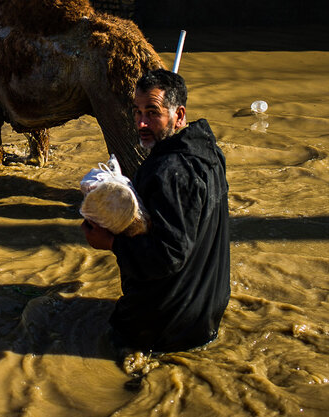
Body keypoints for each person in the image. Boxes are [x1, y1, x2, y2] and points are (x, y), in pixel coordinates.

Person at [82, 69, 230, 368]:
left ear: (179, 115)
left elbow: (167, 255)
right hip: (207, 313)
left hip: (164, 328)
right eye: (136, 112)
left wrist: (110, 241)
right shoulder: (210, 153)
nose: (141, 123)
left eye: (153, 113)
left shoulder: (167, 171)